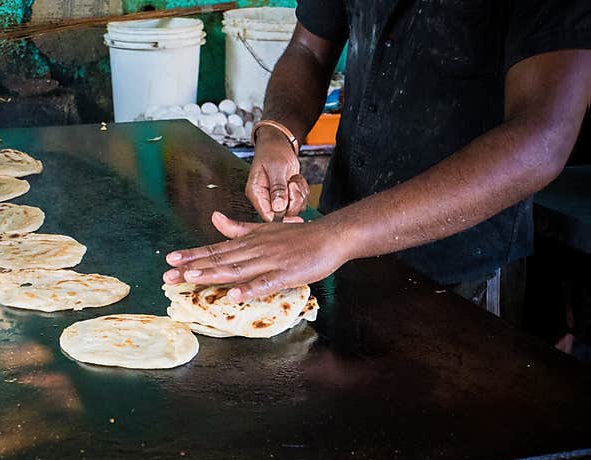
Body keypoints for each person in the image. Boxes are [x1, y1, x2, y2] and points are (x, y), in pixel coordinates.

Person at [164, 1, 591, 322]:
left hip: (463, 270)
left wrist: (333, 237)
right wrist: (279, 134)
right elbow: (309, 51)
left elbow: (542, 139)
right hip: (338, 243)